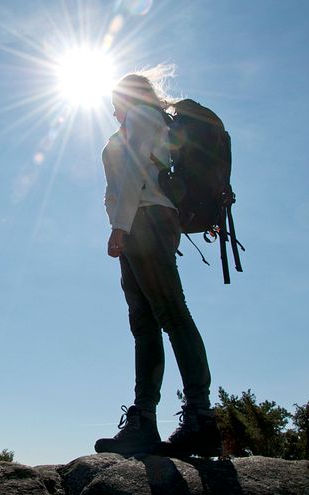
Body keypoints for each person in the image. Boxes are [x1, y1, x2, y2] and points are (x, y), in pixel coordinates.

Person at [94, 72, 222, 458]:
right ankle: (145, 422)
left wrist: (120, 225)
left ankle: (200, 417)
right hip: (141, 220)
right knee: (145, 323)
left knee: (170, 314)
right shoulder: (145, 119)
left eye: (114, 102)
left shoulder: (141, 114)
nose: (111, 110)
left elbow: (133, 171)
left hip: (145, 220)